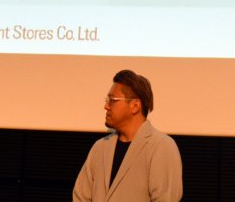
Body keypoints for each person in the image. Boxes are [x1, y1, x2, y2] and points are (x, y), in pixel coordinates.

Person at [73, 69, 182, 202]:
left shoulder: (161, 146)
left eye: (112, 100)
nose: (106, 106)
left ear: (135, 106)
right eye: (107, 100)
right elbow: (80, 197)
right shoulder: (100, 148)